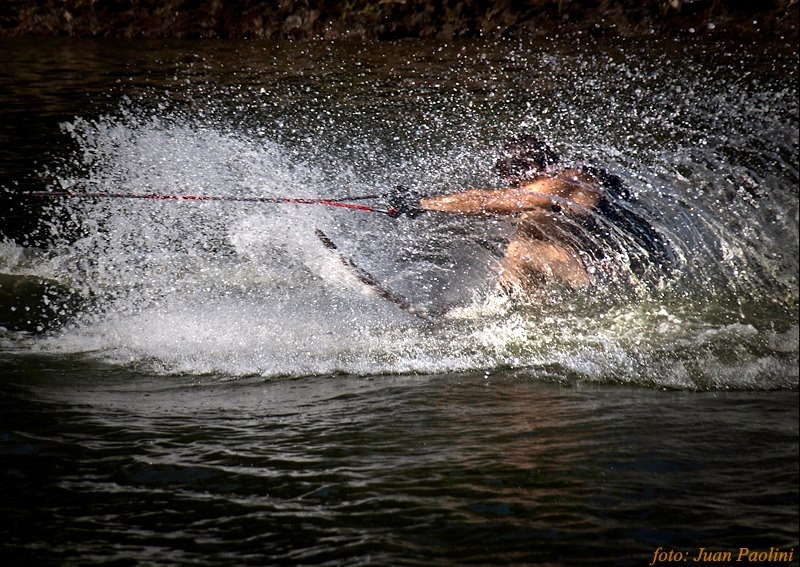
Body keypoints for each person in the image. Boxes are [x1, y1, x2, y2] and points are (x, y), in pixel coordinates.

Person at [388, 136, 673, 298]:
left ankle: (516, 311)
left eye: (514, 181)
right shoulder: (579, 183)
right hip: (622, 273)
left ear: (529, 166)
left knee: (523, 244)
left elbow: (492, 201)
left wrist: (422, 202)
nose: (513, 188)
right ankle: (517, 307)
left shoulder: (570, 180)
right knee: (532, 224)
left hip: (632, 278)